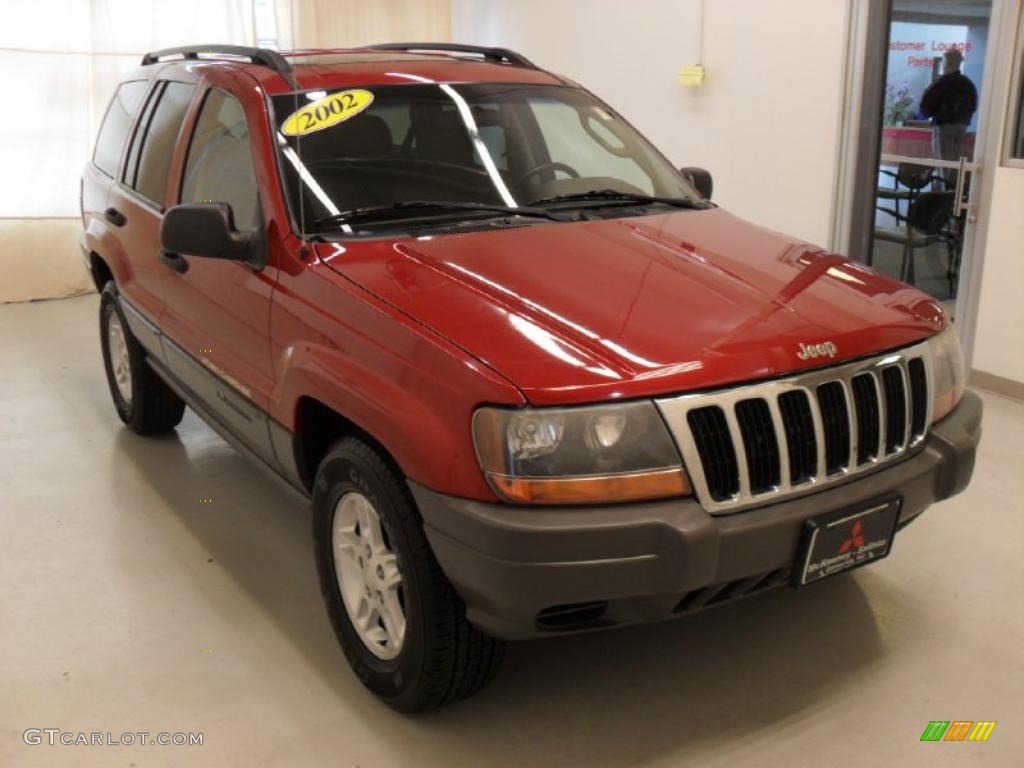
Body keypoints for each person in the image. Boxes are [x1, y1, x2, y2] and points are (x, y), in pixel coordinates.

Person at [920, 49, 978, 171]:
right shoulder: (967, 83)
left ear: (947, 61)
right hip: (961, 126)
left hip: (944, 125)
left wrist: (927, 115)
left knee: (942, 161)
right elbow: (973, 105)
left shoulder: (942, 82)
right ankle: (951, 187)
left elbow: (927, 104)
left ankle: (942, 188)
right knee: (954, 161)